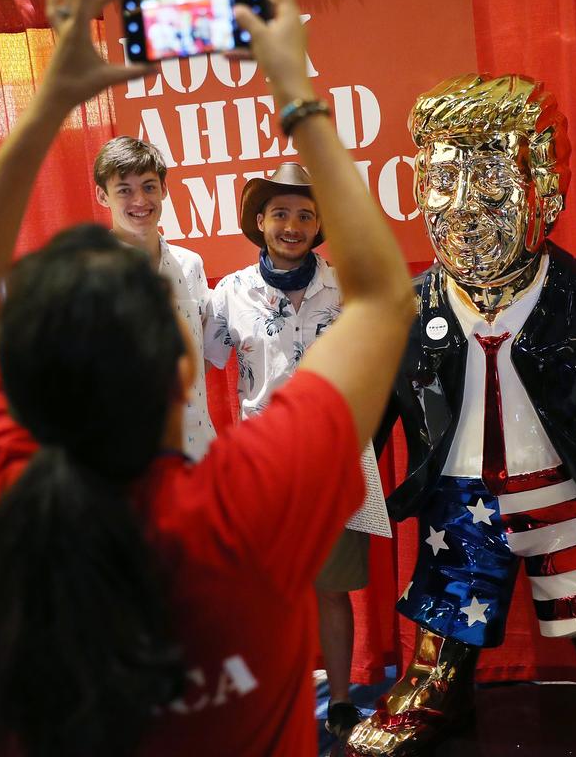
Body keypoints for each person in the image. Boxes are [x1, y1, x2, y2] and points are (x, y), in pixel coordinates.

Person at [0, 0, 414, 756]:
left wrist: (52, 96)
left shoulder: (17, 490)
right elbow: (388, 298)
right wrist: (296, 92)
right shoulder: (252, 500)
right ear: (185, 356)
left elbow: (370, 302)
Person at [345, 73, 576, 757]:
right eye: (442, 181)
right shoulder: (404, 310)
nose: (462, 209)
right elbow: (370, 413)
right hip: (460, 501)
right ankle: (433, 685)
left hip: (563, 493)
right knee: (446, 600)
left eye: (488, 181)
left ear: (545, 188)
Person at [203, 162, 368, 738]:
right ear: (259, 221)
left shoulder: (344, 290)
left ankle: (342, 698)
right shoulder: (229, 294)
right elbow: (201, 361)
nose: (292, 225)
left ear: (318, 223)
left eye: (304, 214)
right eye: (280, 214)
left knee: (330, 587)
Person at [93, 135, 215, 460]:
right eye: (124, 190)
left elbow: (201, 355)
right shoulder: (88, 275)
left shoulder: (191, 265)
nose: (140, 200)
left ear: (164, 189)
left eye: (149, 186)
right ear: (103, 196)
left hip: (198, 449)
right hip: (128, 460)